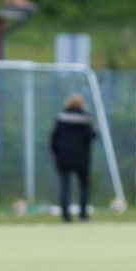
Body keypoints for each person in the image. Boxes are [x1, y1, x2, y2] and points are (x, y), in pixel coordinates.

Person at [50, 93, 97, 222]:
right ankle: (83, 215)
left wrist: (54, 152)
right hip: (81, 157)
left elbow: (54, 137)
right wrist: (96, 132)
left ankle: (66, 217)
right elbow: (89, 137)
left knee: (65, 186)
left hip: (63, 157)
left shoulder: (61, 118)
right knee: (84, 186)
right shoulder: (86, 119)